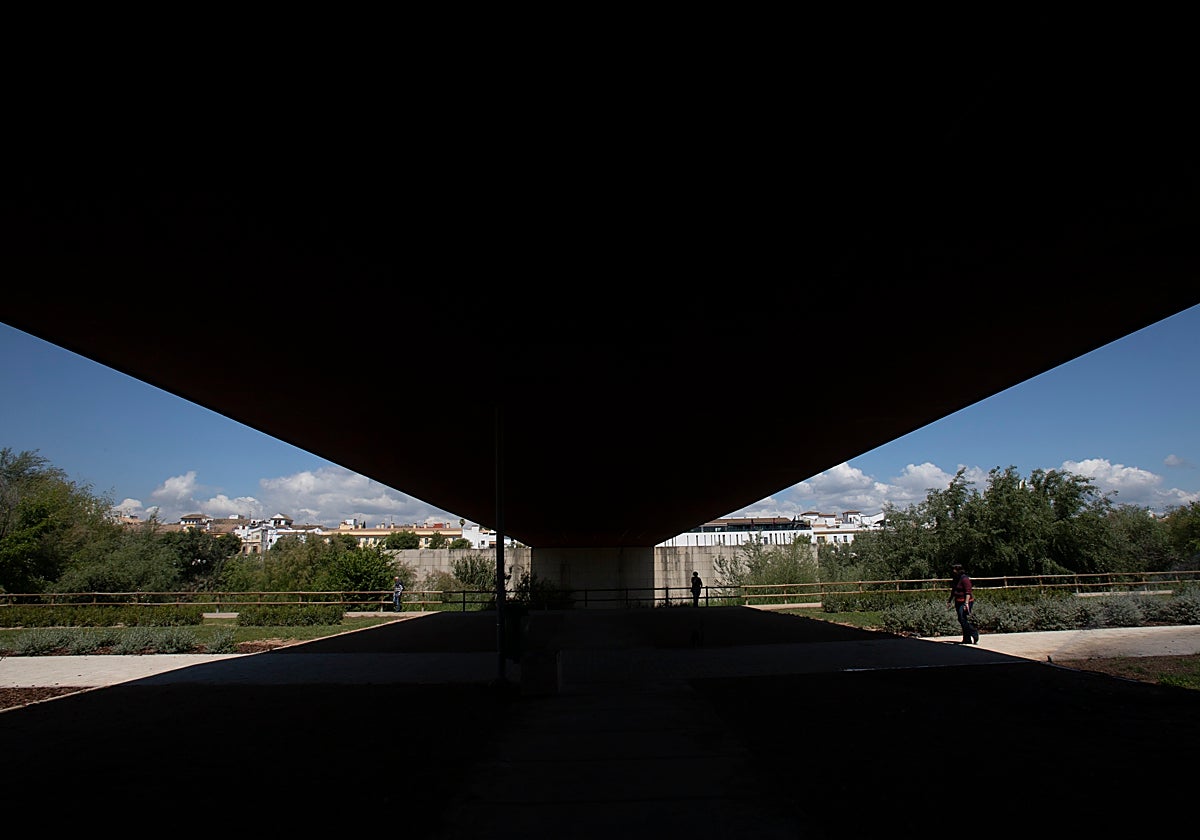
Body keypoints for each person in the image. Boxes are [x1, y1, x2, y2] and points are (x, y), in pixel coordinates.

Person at [948, 563, 979, 644]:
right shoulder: (955, 579)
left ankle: (974, 632)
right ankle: (966, 639)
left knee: (962, 618)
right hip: (958, 601)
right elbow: (953, 590)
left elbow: (968, 592)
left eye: (954, 570)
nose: (953, 571)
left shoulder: (965, 579)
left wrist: (966, 603)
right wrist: (950, 600)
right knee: (961, 619)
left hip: (966, 601)